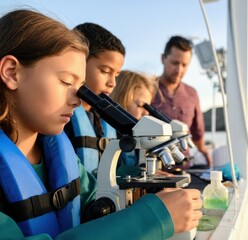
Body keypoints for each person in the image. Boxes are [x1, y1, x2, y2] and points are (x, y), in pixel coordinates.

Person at [0, 9, 202, 239]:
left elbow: (95, 207)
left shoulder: (60, 154)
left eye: (80, 88)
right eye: (66, 81)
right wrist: (153, 218)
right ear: (12, 73)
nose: (77, 99)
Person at [64, 22, 125, 176]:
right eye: (105, 71)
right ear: (79, 62)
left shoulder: (104, 121)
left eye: (116, 75)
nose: (113, 83)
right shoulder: (62, 119)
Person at [152, 35, 213, 167]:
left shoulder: (192, 93)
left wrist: (203, 150)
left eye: (184, 65)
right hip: (152, 169)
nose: (179, 70)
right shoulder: (146, 89)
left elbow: (198, 131)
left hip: (184, 168)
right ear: (163, 58)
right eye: (175, 63)